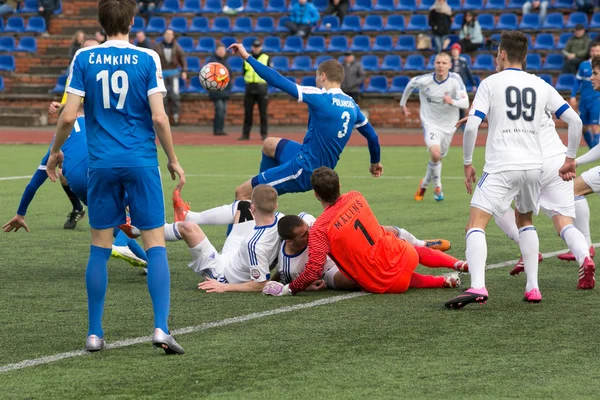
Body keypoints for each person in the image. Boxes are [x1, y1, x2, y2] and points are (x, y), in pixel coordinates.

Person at [45, 0, 186, 354]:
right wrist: (172, 158)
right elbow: (159, 117)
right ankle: (160, 329)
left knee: (99, 248)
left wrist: (54, 153)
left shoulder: (83, 57)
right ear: (132, 20)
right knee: (155, 246)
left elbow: (66, 117)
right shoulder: (148, 57)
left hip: (102, 164)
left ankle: (94, 333)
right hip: (141, 162)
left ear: (100, 23)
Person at [445, 30, 582, 309]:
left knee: (476, 223)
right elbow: (574, 121)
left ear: (502, 54)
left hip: (501, 165)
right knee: (525, 221)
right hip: (534, 165)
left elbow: (472, 125)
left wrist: (467, 163)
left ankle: (478, 286)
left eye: (497, 53)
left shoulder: (490, 83)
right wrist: (570, 158)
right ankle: (533, 288)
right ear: (526, 56)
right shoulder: (540, 84)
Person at [261, 168, 462, 297]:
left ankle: (441, 281)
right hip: (403, 253)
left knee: (401, 279)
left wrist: (290, 289)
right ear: (339, 186)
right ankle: (458, 263)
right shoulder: (357, 196)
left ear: (315, 194)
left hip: (386, 281)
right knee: (405, 244)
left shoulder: (320, 229)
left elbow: (313, 270)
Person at [225, 42, 382, 201]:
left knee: (242, 192)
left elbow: (277, 80)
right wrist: (375, 163)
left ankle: (259, 199)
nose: (316, 80)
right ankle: (265, 194)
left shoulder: (320, 96)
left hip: (304, 170)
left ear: (323, 76)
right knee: (269, 144)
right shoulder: (352, 105)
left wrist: (247, 57)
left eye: (316, 76)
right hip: (316, 162)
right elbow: (373, 137)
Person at [2, 108, 150, 270]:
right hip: (100, 166)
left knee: (110, 221)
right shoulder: (92, 119)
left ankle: (147, 263)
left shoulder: (56, 143)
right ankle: (122, 245)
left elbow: (33, 185)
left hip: (77, 180)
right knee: (137, 207)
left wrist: (20, 214)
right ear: (79, 114)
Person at [274, 213, 461, 290]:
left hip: (340, 247)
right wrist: (310, 286)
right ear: (290, 241)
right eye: (304, 235)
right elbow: (302, 280)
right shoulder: (289, 268)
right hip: (329, 270)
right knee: (362, 279)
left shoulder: (306, 219)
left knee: (376, 231)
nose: (311, 234)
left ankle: (421, 243)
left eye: (308, 229)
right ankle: (441, 281)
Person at [165, 186, 283, 293]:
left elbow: (260, 285)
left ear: (254, 208)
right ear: (276, 206)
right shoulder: (281, 219)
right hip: (237, 254)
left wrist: (224, 287)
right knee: (243, 205)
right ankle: (189, 216)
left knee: (188, 228)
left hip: (222, 273)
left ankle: (151, 231)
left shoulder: (254, 244)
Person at [400, 53, 469, 202]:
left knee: (438, 157)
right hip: (430, 123)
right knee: (436, 154)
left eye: (444, 63)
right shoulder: (425, 80)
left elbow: (465, 103)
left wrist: (452, 101)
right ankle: (438, 187)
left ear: (450, 65)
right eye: (438, 62)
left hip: (449, 126)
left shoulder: (455, 80)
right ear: (434, 64)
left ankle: (424, 183)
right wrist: (402, 104)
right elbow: (411, 84)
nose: (441, 66)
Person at [570, 42, 600, 149]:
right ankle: (593, 149)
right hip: (584, 100)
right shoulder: (584, 65)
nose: (595, 53)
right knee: (584, 128)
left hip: (597, 100)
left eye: (597, 50)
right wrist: (573, 95)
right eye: (593, 50)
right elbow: (577, 82)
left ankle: (596, 153)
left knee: (596, 126)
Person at [155, 29, 187, 126]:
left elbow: (183, 59)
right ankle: (165, 118)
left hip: (174, 72)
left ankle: (176, 117)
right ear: (164, 35)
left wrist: (184, 71)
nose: (169, 36)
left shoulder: (177, 47)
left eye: (170, 34)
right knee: (162, 97)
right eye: (167, 34)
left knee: (175, 95)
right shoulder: (157, 47)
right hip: (161, 73)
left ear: (173, 36)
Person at [240, 40, 270, 141]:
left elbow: (270, 73)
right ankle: (245, 134)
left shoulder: (266, 57)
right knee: (248, 113)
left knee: (263, 113)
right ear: (252, 47)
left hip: (261, 88)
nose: (256, 48)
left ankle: (264, 134)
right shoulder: (246, 58)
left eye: (258, 46)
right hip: (249, 88)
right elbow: (244, 72)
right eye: (254, 46)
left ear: (260, 47)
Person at [206, 43, 231, 136]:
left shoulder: (226, 62)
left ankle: (220, 128)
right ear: (216, 51)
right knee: (220, 109)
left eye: (223, 50)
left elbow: (230, 76)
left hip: (225, 91)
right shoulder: (212, 62)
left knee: (223, 110)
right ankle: (217, 129)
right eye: (219, 50)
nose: (221, 52)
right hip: (216, 91)